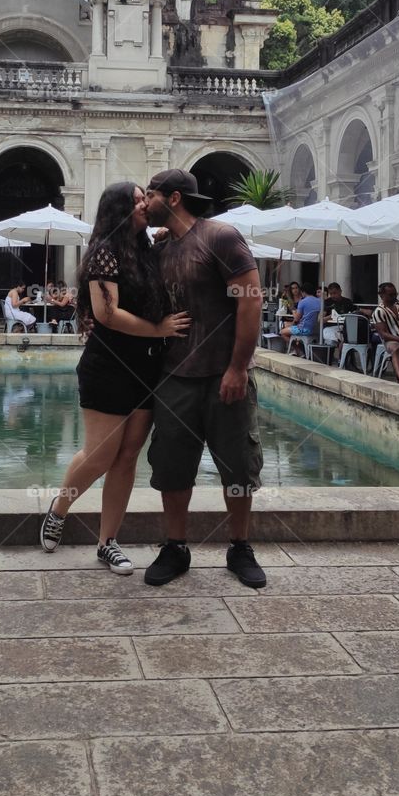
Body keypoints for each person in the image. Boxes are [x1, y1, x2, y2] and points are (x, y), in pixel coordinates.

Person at [40, 181, 189, 574]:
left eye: (146, 198)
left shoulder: (148, 251)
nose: (145, 204)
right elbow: (107, 315)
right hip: (108, 365)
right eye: (138, 199)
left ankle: (108, 543)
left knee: (126, 459)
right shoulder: (104, 252)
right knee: (100, 454)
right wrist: (159, 330)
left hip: (147, 367)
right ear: (119, 209)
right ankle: (61, 506)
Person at [142, 169, 266, 589]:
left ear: (173, 198)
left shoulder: (220, 236)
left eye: (152, 194)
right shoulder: (161, 247)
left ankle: (240, 546)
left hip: (222, 374)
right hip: (175, 375)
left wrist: (238, 367)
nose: (145, 201)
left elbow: (251, 302)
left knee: (237, 467)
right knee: (172, 467)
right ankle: (175, 546)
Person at [279, 282, 321, 348]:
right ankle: (298, 349)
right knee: (289, 326)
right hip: (316, 329)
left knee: (282, 332)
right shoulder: (319, 301)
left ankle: (299, 349)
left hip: (304, 329)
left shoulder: (302, 302)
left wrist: (293, 310)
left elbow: (296, 318)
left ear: (303, 292)